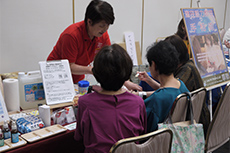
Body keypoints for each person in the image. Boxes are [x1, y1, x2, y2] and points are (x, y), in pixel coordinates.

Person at [47, 0, 141, 90]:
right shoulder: (71, 35)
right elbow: (69, 67)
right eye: (101, 25)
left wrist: (125, 82)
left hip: (78, 78)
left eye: (108, 25)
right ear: (89, 22)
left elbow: (110, 60)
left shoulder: (102, 35)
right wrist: (93, 70)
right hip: (56, 76)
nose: (105, 29)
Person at [74, 44, 147, 153]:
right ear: (127, 73)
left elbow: (79, 136)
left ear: (96, 73)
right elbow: (142, 135)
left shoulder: (85, 102)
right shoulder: (138, 102)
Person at [141, 41, 189, 132]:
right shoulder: (181, 85)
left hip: (159, 144)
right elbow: (167, 91)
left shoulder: (157, 100)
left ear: (154, 65)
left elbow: (144, 129)